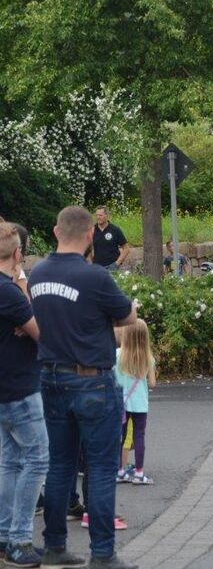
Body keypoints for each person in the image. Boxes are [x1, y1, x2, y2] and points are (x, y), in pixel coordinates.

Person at [29, 205, 138, 569]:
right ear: (91, 235)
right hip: (92, 381)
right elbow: (127, 316)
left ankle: (55, 546)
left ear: (56, 232)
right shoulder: (95, 278)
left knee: (59, 466)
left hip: (50, 378)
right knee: (102, 467)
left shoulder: (37, 274)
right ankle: (103, 554)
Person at [0, 222, 49, 568]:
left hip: (4, 388)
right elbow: (41, 334)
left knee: (10, 461)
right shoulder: (8, 291)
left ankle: (4, 536)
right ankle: (19, 539)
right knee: (36, 459)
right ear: (18, 254)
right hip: (19, 387)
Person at [113, 319, 157, 485]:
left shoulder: (117, 355)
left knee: (121, 437)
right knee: (139, 436)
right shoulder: (148, 358)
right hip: (139, 404)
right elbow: (152, 383)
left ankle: (120, 471)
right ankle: (139, 473)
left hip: (121, 403)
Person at [92, 206, 129, 271]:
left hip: (112, 267)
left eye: (100, 215)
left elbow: (126, 249)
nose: (98, 217)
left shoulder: (115, 230)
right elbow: (87, 249)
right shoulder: (92, 230)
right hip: (97, 268)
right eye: (96, 215)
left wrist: (117, 263)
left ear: (107, 216)